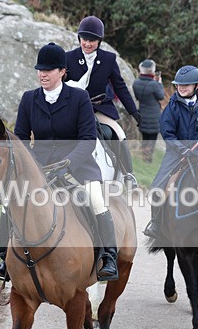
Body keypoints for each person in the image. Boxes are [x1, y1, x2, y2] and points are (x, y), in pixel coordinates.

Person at [7, 42, 119, 281]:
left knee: (96, 200)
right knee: (11, 202)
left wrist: (68, 163)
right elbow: (22, 139)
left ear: (62, 72)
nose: (42, 74)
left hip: (79, 166)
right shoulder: (29, 99)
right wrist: (34, 165)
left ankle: (108, 256)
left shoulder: (79, 98)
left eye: (48, 70)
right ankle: (3, 259)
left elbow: (88, 139)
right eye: (40, 70)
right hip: (40, 167)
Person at [144, 65, 198, 239]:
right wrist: (182, 149)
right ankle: (155, 223)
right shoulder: (172, 107)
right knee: (157, 187)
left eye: (186, 85)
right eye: (179, 84)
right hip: (176, 154)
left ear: (197, 86)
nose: (181, 87)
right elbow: (167, 133)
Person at [65, 15, 142, 188]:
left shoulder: (108, 59)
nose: (87, 44)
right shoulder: (68, 58)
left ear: (99, 41)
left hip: (99, 108)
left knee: (120, 134)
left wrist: (133, 111)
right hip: (74, 108)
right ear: (79, 38)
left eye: (92, 40)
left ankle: (128, 175)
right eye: (84, 39)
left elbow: (120, 86)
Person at [133, 59, 165, 163]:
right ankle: (148, 160)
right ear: (152, 71)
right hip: (154, 116)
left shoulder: (136, 83)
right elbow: (161, 96)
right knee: (152, 138)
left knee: (145, 137)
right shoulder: (154, 84)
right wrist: (159, 83)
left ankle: (144, 157)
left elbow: (137, 97)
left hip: (142, 113)